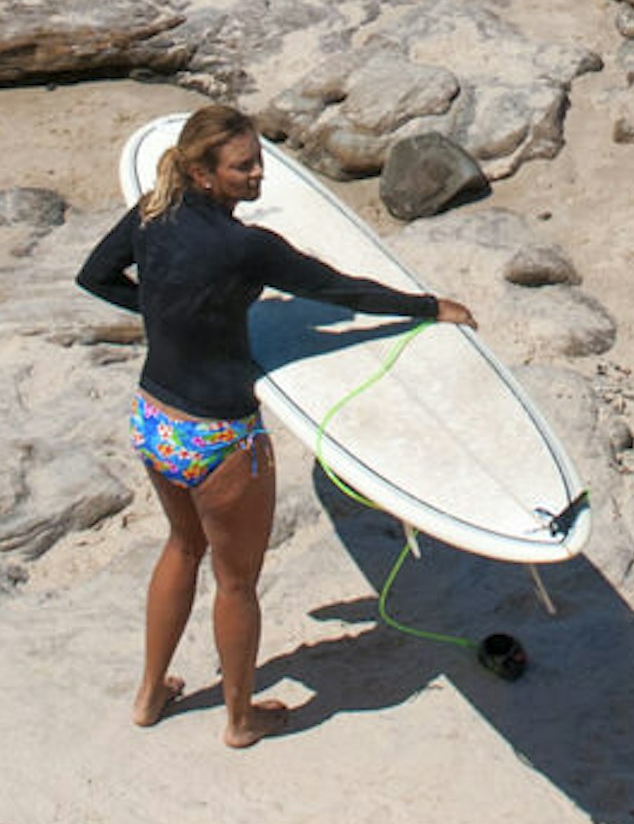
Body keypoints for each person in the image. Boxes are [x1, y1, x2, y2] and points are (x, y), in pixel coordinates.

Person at [75, 105, 472, 747]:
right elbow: (337, 290)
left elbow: (93, 276)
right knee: (237, 584)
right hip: (220, 439)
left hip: (156, 420)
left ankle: (150, 697)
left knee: (182, 546)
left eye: (259, 158)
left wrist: (161, 312)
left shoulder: (152, 210)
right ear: (204, 173)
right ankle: (240, 719)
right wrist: (426, 308)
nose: (260, 173)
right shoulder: (246, 248)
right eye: (244, 166)